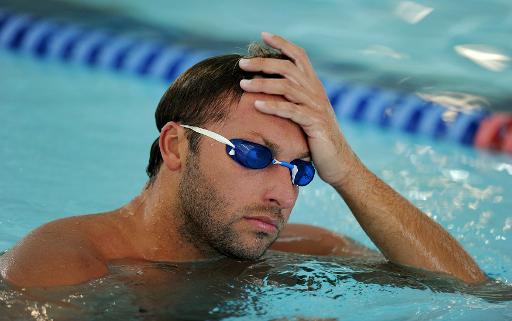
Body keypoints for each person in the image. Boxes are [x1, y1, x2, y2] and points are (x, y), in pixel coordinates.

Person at [0, 33, 486, 287]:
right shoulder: (62, 264)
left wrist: (348, 170)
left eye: (303, 168)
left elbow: (473, 293)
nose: (283, 193)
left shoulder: (299, 251)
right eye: (253, 154)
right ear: (175, 147)